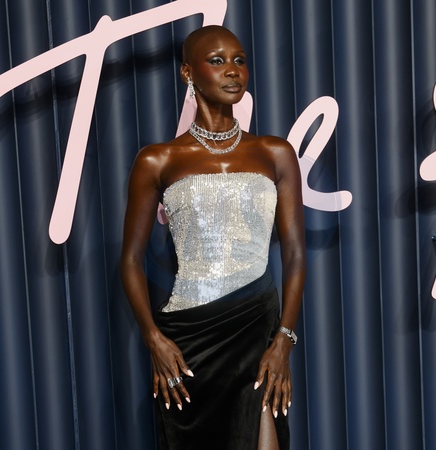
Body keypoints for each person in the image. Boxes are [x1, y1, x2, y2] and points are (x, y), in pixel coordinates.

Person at [121, 25, 305, 450]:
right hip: (189, 344)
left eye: (240, 60)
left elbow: (295, 254)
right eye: (217, 61)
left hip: (257, 330)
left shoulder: (275, 153)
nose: (233, 70)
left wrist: (284, 339)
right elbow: (130, 260)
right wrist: (153, 338)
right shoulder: (157, 160)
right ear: (188, 72)